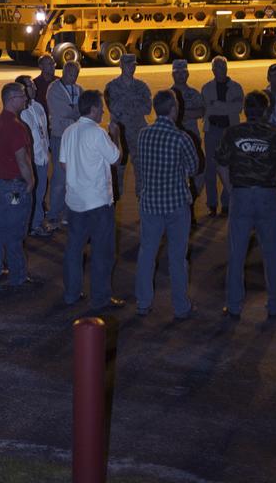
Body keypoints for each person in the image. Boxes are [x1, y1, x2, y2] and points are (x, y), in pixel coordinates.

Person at [215, 90, 276, 320]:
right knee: (272, 253)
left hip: (242, 195)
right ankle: (275, 304)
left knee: (237, 252)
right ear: (266, 110)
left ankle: (234, 305)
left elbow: (220, 164)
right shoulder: (275, 135)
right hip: (268, 196)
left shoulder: (232, 133)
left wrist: (231, 189)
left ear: (245, 111)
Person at [134, 90, 200, 320]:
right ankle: (180, 306)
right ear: (174, 109)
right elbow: (193, 168)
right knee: (177, 258)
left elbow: (141, 164)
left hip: (150, 202)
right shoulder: (181, 137)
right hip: (175, 204)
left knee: (147, 254)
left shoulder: (143, 135)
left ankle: (143, 301)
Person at [60, 89, 125, 310]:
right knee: (102, 253)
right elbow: (116, 159)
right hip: (97, 203)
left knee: (74, 250)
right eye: (101, 108)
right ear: (94, 108)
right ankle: (100, 298)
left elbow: (63, 164)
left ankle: (71, 293)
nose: (103, 112)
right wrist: (115, 134)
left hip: (75, 201)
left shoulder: (69, 131)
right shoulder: (97, 133)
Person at [0, 83, 36, 287]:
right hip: (14, 188)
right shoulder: (16, 126)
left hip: (0, 185)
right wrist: (30, 181)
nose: (25, 99)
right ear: (12, 98)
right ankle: (18, 276)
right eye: (22, 96)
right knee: (15, 231)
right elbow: (21, 158)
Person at [104, 52, 152, 197]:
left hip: (139, 134)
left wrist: (125, 106)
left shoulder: (142, 86)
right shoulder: (111, 87)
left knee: (143, 171)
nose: (131, 68)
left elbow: (148, 108)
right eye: (128, 65)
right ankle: (114, 204)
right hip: (120, 135)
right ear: (121, 66)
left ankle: (143, 206)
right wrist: (134, 105)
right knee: (117, 170)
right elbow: (113, 108)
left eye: (133, 65)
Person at [201, 57, 244, 216]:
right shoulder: (206, 88)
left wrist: (217, 105)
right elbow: (208, 110)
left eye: (224, 66)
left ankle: (226, 204)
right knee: (210, 170)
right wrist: (227, 107)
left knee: (230, 167)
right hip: (212, 131)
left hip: (230, 132)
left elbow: (238, 108)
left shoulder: (236, 87)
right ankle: (212, 204)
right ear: (212, 70)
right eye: (218, 67)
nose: (221, 69)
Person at [45, 57, 81, 228]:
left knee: (73, 178)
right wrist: (76, 112)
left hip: (76, 138)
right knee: (59, 177)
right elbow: (63, 111)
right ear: (64, 72)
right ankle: (53, 213)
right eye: (70, 73)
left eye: (75, 74)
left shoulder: (79, 89)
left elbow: (82, 110)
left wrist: (75, 112)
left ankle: (68, 213)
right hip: (60, 137)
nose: (72, 76)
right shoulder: (54, 89)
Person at [16, 74, 51, 236]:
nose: (35, 88)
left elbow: (43, 131)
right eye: (31, 86)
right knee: (31, 193)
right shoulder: (21, 113)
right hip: (32, 159)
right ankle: (32, 224)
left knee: (41, 191)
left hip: (43, 157)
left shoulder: (38, 107)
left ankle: (36, 221)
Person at [170, 59, 205, 214]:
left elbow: (201, 112)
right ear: (172, 74)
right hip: (173, 143)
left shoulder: (194, 93)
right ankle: (181, 209)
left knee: (198, 174)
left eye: (184, 72)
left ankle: (190, 204)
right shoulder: (168, 95)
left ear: (188, 73)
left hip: (192, 140)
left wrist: (180, 114)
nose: (181, 75)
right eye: (177, 73)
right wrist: (188, 114)